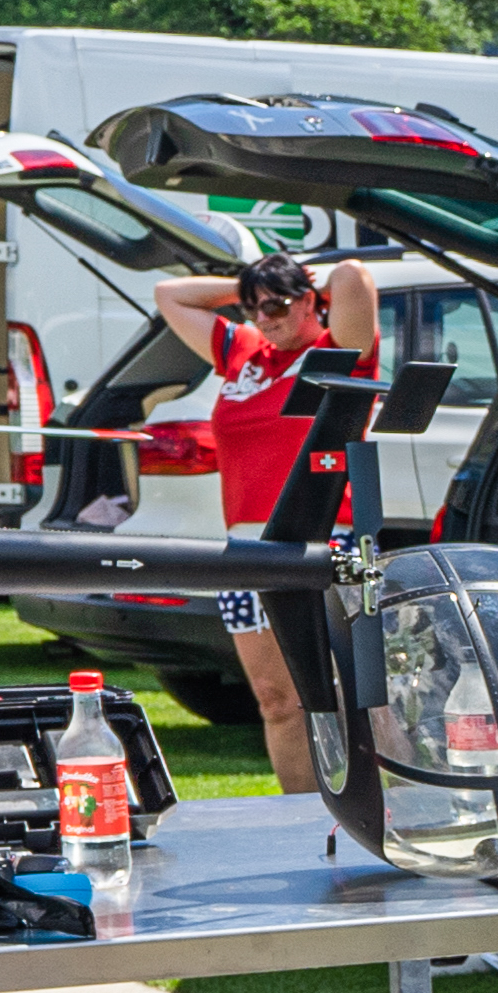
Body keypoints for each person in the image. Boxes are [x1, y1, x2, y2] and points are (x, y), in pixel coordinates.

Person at [152, 245, 382, 792]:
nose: (264, 318)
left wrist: (294, 277)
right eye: (253, 308)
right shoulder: (244, 350)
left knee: (348, 694)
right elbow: (169, 295)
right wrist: (252, 286)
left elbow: (353, 276)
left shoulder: (338, 348)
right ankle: (298, 817)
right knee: (277, 701)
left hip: (323, 540)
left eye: (276, 306)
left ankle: (376, 810)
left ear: (310, 301)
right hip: (247, 549)